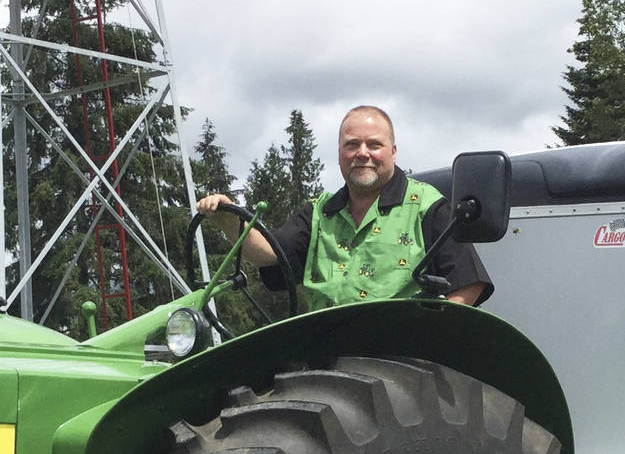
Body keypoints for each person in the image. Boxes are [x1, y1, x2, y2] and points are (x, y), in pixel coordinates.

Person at [195, 105, 491, 310]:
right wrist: (228, 219)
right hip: (326, 353)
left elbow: (468, 282)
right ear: (339, 154)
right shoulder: (319, 213)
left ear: (393, 152)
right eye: (352, 145)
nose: (362, 153)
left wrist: (431, 336)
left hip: (403, 358)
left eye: (374, 144)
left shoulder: (426, 205)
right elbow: (268, 254)